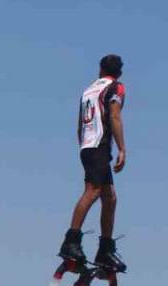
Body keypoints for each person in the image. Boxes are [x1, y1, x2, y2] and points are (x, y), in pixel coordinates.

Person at [59, 54, 128, 273]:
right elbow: (114, 117)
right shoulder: (116, 88)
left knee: (110, 196)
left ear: (100, 69)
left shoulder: (89, 89)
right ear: (119, 72)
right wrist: (122, 148)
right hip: (99, 145)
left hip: (87, 145)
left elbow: (79, 123)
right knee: (93, 191)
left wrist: (84, 145)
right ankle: (71, 241)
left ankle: (105, 249)